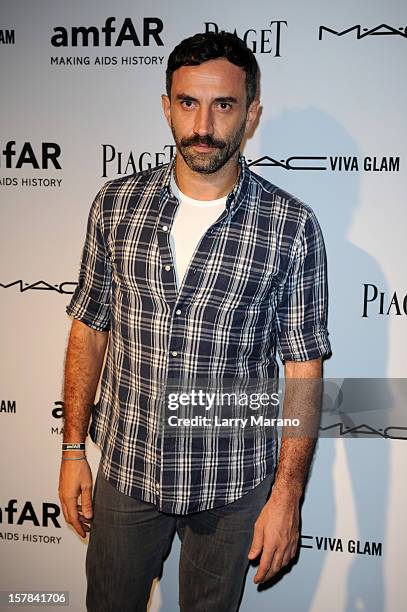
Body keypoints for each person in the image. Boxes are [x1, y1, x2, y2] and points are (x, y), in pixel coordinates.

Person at [58, 31, 331, 612]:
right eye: (188, 102)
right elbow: (89, 327)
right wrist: (73, 450)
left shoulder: (292, 227)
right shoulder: (116, 205)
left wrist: (287, 497)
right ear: (166, 105)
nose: (203, 123)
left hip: (233, 484)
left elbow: (303, 369)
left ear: (251, 114)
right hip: (127, 469)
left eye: (224, 104)